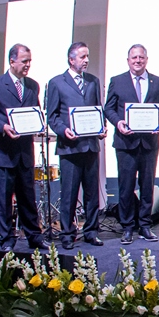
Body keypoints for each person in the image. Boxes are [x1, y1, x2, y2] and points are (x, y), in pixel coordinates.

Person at [0, 43, 49, 252]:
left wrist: (39, 124)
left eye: (30, 61)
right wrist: (3, 127)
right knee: (4, 199)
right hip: (4, 153)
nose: (28, 65)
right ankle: (7, 239)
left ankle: (34, 237)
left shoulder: (32, 85)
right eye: (24, 61)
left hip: (25, 153)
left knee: (28, 198)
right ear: (12, 61)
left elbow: (34, 111)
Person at [44, 41, 106, 250]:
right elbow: (52, 116)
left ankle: (91, 232)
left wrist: (101, 128)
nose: (86, 60)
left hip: (90, 146)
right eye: (82, 57)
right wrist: (63, 131)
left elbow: (98, 110)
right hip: (69, 147)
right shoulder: (56, 83)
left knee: (92, 194)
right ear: (71, 60)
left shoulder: (93, 81)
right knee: (69, 194)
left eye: (87, 56)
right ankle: (67, 234)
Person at [104, 44, 159, 245]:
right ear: (128, 60)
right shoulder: (117, 81)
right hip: (126, 143)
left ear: (146, 59)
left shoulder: (158, 82)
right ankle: (128, 227)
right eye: (134, 58)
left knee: (147, 186)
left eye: (141, 57)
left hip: (149, 143)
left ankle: (145, 225)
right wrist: (118, 122)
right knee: (126, 186)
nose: (138, 61)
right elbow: (109, 108)